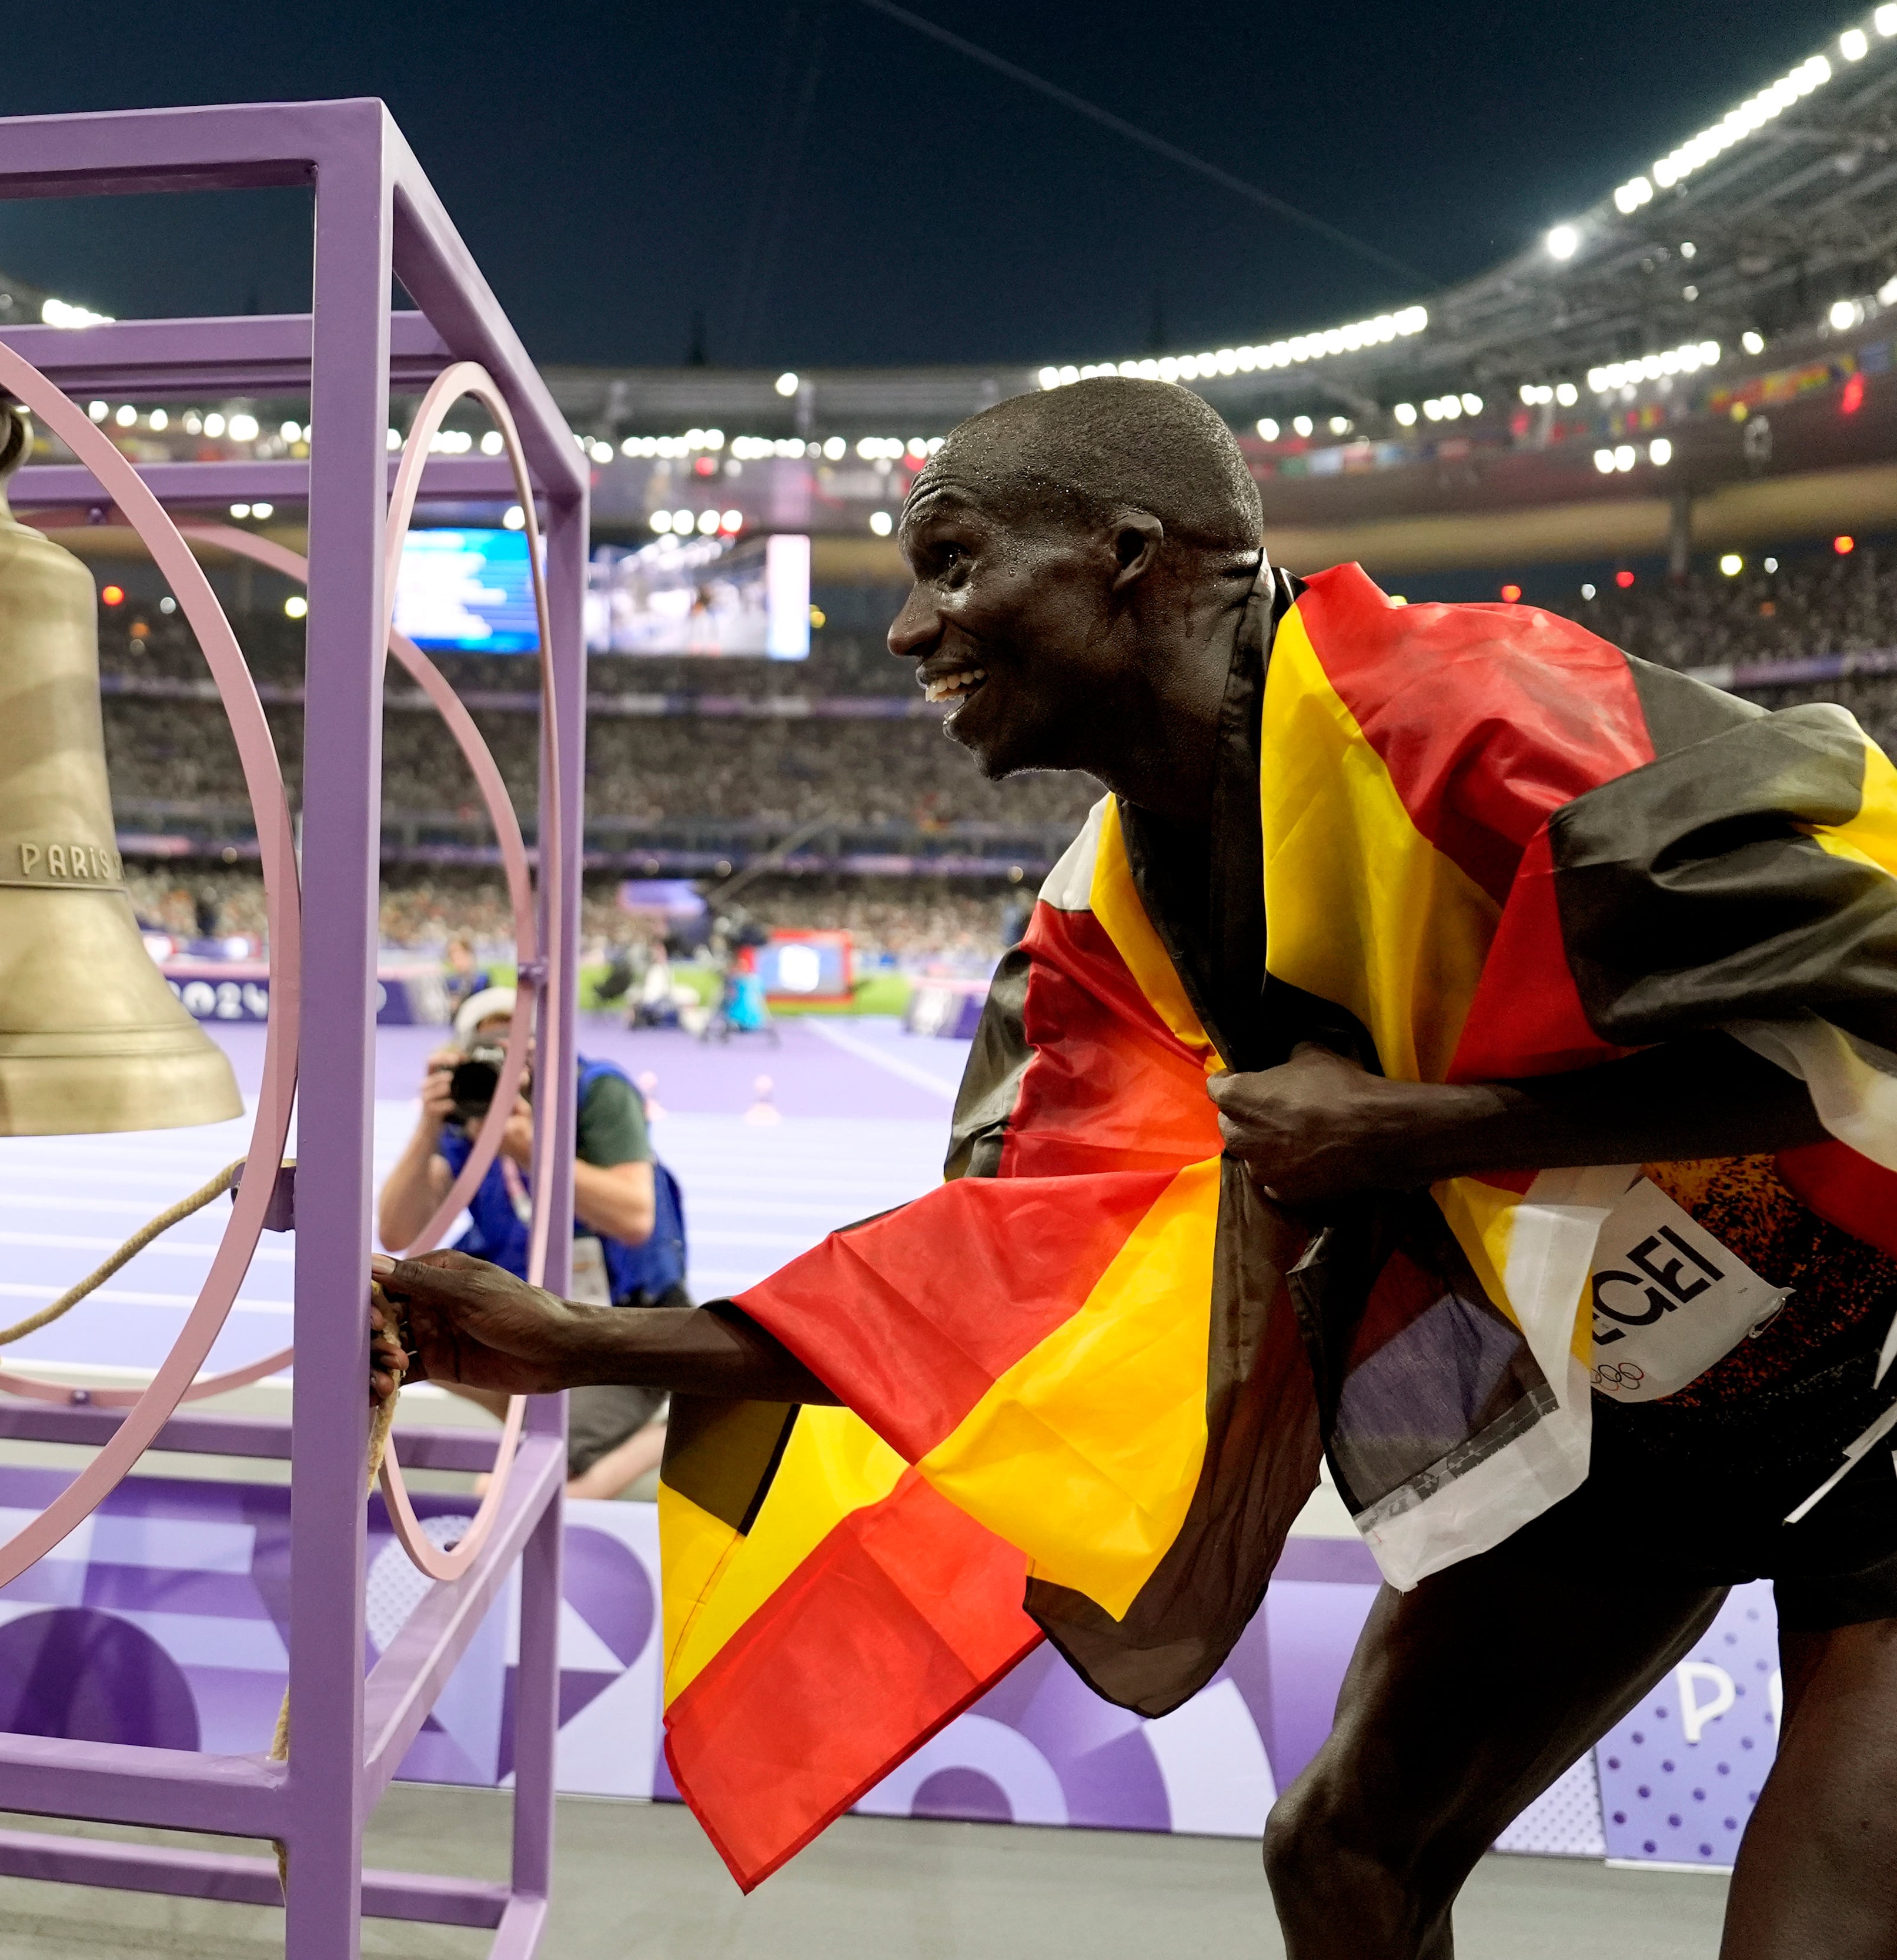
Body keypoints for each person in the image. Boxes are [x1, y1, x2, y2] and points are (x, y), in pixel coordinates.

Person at [373, 374, 1897, 1949]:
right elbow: (993, 1296)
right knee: (1342, 1855)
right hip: (1641, 1429)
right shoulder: (1107, 931)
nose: (909, 626)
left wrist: (1429, 1128)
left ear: (1127, 552)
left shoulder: (1478, 715)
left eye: (952, 560)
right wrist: (577, 1343)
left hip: (1885, 1382)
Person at [378, 987, 688, 1498]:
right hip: (533, 1318)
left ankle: (657, 1431)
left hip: (628, 1322)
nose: (507, 1058)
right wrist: (429, 1124)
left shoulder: (595, 1093)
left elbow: (635, 1217)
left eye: (517, 1039)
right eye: (490, 1045)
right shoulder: (470, 1111)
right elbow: (397, 1231)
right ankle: (546, 1416)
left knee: (516, 1490)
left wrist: (530, 1150)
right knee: (404, 1325)